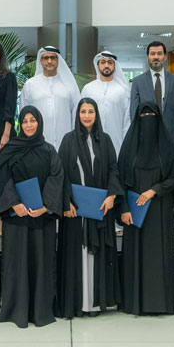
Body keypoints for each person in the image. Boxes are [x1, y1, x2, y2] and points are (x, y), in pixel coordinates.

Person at [0, 106, 64, 328]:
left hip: (41, 218)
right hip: (16, 218)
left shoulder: (49, 150)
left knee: (41, 262)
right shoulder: (10, 150)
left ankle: (40, 309)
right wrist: (14, 202)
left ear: (39, 122)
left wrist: (46, 206)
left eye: (33, 120)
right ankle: (17, 309)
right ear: (20, 124)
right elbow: (2, 178)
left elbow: (56, 177)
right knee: (17, 263)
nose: (29, 125)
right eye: (24, 121)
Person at [55, 98, 123, 319]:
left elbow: (113, 169)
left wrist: (112, 195)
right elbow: (60, 173)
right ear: (77, 114)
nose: (86, 116)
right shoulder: (68, 140)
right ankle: (77, 303)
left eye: (90, 111)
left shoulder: (105, 140)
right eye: (83, 111)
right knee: (77, 255)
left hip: (99, 208)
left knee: (96, 255)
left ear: (96, 114)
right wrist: (66, 202)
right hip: (75, 211)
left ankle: (94, 303)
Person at [118, 101, 174, 316]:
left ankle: (158, 303)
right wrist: (124, 208)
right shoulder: (128, 148)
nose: (148, 122)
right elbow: (119, 180)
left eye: (151, 118)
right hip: (134, 212)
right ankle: (134, 303)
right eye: (143, 118)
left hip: (159, 210)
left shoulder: (167, 147)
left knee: (157, 256)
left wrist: (154, 190)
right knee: (135, 256)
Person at [130, 41, 174, 236]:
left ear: (165, 56)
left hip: (170, 140)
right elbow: (134, 114)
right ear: (147, 57)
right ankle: (150, 219)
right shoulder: (138, 82)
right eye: (152, 53)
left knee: (173, 180)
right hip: (147, 142)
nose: (156, 57)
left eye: (159, 53)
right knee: (149, 180)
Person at [19, 46, 80, 151]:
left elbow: (76, 113)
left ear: (58, 60)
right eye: (45, 58)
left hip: (65, 144)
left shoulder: (69, 85)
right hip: (37, 145)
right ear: (41, 61)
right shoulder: (30, 85)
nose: (49, 61)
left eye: (53, 57)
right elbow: (23, 113)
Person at [81, 51, 131, 154]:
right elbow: (80, 117)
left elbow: (127, 121)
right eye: (103, 62)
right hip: (90, 143)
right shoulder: (88, 89)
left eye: (110, 62)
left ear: (114, 66)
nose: (106, 65)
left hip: (117, 143)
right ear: (98, 65)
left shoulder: (122, 90)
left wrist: (126, 146)